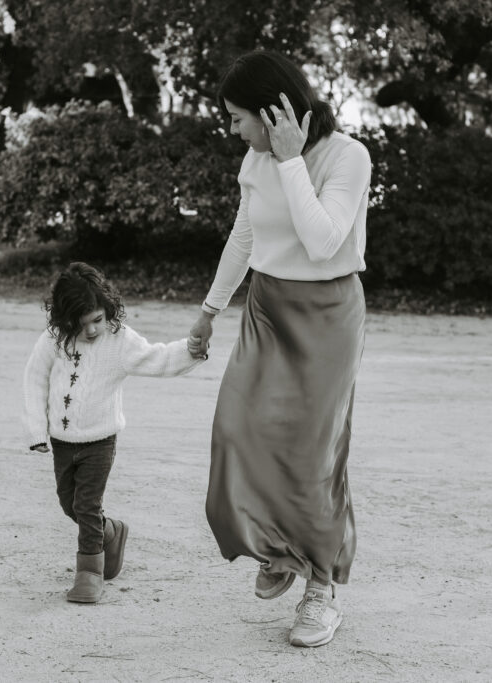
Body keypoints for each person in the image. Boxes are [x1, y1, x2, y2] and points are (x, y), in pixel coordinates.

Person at [187, 51, 371, 647]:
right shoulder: (256, 158)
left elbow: (322, 241)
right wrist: (210, 311)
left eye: (240, 117)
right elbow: (245, 235)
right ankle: (276, 546)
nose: (234, 130)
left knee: (315, 456)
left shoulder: (348, 157)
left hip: (327, 317)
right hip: (267, 307)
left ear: (275, 112)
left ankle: (321, 589)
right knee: (238, 429)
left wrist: (292, 161)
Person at [24, 262, 204, 603]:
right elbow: (34, 380)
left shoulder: (120, 340)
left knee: (87, 504)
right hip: (63, 442)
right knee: (68, 503)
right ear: (64, 319)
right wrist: (36, 431)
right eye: (82, 323)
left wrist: (191, 350)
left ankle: (89, 572)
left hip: (100, 441)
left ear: (108, 310)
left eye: (98, 319)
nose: (92, 330)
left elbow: (158, 358)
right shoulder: (52, 342)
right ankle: (111, 531)